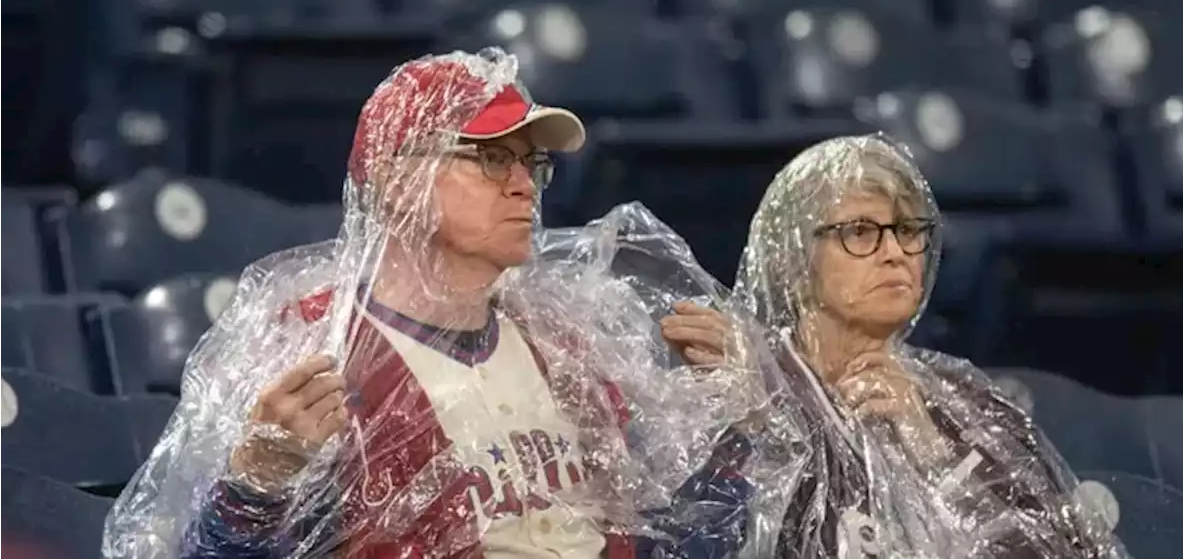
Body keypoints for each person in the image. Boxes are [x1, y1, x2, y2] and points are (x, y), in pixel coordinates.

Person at [102, 49, 758, 559]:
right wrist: (257, 481)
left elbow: (672, 544)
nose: (524, 185)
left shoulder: (565, 344)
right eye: (493, 158)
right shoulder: (315, 351)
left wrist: (732, 426)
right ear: (394, 178)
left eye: (532, 164)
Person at [664, 134, 1129, 559]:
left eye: (908, 231)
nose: (896, 252)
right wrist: (770, 425)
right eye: (861, 232)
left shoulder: (967, 401)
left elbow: (1071, 550)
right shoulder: (743, 381)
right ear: (793, 258)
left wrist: (933, 456)